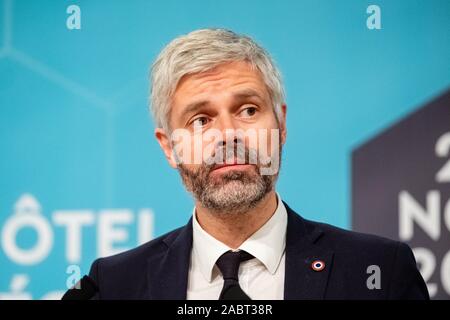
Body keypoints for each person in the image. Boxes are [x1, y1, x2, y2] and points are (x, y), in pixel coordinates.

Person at [86, 28, 429, 300]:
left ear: (281, 125)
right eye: (201, 120)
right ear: (169, 147)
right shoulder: (116, 284)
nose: (228, 135)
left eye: (248, 110)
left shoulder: (378, 271)